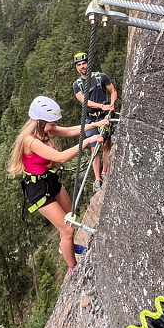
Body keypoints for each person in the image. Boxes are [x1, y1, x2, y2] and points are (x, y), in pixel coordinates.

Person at [9, 96, 106, 273]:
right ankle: (73, 269)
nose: (55, 127)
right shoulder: (31, 141)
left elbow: (69, 131)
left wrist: (94, 125)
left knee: (70, 216)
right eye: (52, 124)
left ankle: (65, 245)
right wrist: (87, 141)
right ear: (40, 122)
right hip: (38, 189)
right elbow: (60, 157)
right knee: (67, 230)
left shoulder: (43, 130)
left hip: (50, 180)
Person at [71, 52, 117, 192]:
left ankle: (105, 171)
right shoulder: (77, 85)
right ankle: (97, 179)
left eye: (84, 63)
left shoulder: (101, 77)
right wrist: (103, 106)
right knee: (94, 149)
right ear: (77, 67)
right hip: (90, 119)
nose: (82, 66)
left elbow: (113, 90)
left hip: (103, 117)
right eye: (79, 65)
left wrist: (112, 104)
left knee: (106, 145)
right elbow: (85, 102)